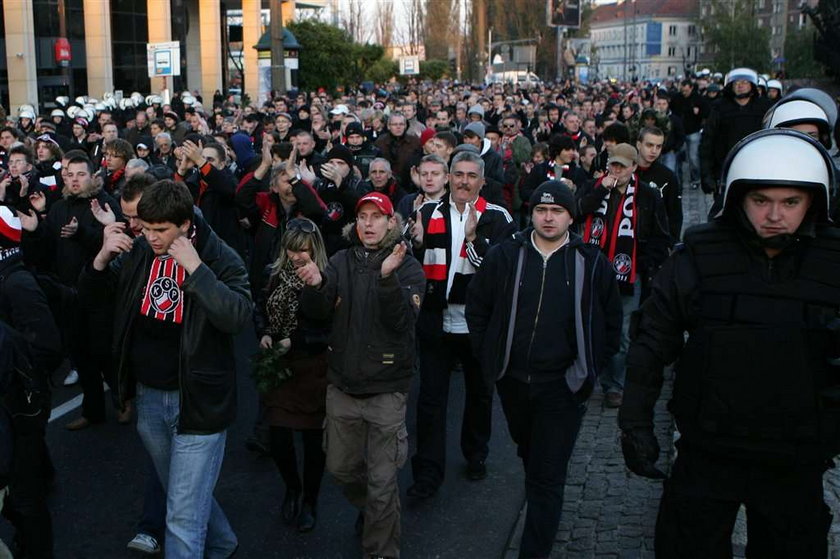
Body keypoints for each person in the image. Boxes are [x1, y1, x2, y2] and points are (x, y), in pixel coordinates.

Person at [619, 129, 840, 558]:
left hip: (795, 457)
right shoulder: (701, 254)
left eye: (790, 202)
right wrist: (635, 421)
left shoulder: (834, 262)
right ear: (737, 198)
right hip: (708, 450)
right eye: (761, 201)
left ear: (814, 201)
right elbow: (652, 341)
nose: (774, 215)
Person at [78, 179, 250, 558]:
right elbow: (91, 301)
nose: (150, 237)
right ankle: (222, 544)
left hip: (198, 403)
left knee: (181, 516)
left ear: (186, 225)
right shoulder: (141, 250)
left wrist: (197, 270)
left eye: (160, 230)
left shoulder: (220, 258)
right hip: (150, 398)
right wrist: (101, 259)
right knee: (181, 492)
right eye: (145, 227)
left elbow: (238, 317)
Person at [466, 181, 621, 559]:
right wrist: (492, 359)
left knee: (548, 476)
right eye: (541, 210)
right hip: (514, 382)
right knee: (529, 451)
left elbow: (611, 324)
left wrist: (584, 375)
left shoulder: (590, 261)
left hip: (561, 387)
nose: (548, 217)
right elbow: (478, 308)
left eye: (556, 211)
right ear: (531, 213)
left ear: (571, 216)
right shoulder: (506, 256)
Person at [298, 192, 425, 559]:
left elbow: (403, 323)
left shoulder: (407, 267)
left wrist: (387, 280)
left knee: (383, 483)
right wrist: (316, 285)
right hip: (343, 387)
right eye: (363, 216)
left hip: (387, 390)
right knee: (340, 469)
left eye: (377, 216)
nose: (368, 223)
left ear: (391, 222)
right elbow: (318, 314)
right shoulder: (340, 260)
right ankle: (376, 513)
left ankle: (380, 550)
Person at [406, 151, 517, 499]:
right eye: (458, 174)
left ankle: (476, 455)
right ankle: (427, 473)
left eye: (472, 175)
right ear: (448, 178)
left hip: (477, 325)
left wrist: (473, 241)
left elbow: (499, 273)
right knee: (430, 401)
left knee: (479, 396)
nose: (464, 181)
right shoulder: (426, 212)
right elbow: (410, 264)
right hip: (437, 321)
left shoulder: (498, 218)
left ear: (483, 181)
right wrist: (417, 242)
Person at [577, 143, 670, 407]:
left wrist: (644, 266)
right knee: (590, 326)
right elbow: (577, 211)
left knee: (621, 332)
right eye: (612, 164)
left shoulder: (647, 196)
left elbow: (659, 237)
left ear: (633, 167)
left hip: (629, 276)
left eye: (621, 165)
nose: (616, 169)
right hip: (593, 269)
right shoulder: (594, 187)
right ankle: (587, 381)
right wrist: (600, 191)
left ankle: (614, 385)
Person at [254, 218, 331, 533]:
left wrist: (294, 341)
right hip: (280, 367)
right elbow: (259, 307)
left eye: (304, 250)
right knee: (279, 437)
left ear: (315, 249)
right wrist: (263, 333)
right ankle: (292, 488)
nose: (297, 255)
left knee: (313, 443)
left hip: (312, 367)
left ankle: (310, 500)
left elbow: (330, 328)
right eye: (292, 248)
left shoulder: (326, 279)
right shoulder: (272, 275)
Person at [0, 206, 63, 559]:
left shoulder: (17, 283)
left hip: (20, 403)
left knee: (25, 499)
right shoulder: (8, 276)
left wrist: (24, 380)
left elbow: (47, 346)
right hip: (16, 405)